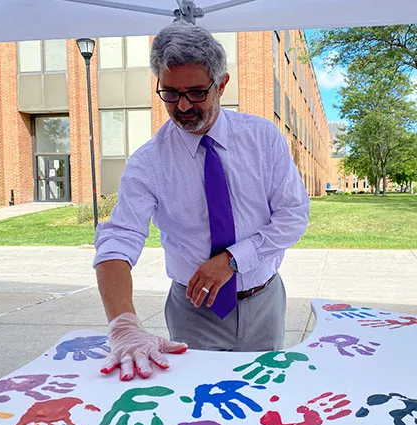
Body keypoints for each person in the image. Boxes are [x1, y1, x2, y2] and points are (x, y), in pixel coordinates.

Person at [94, 22, 310, 381]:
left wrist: (231, 260)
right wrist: (124, 324)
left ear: (221, 84)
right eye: (170, 93)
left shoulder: (263, 138)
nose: (182, 106)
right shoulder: (148, 162)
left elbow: (293, 216)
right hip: (193, 312)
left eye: (196, 92)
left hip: (263, 302)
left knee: (262, 401)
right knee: (198, 405)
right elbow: (118, 239)